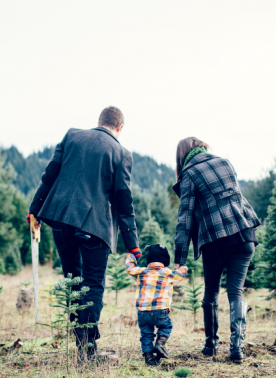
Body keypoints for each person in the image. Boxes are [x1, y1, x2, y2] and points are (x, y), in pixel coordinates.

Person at [28, 106, 140, 358]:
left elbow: (49, 176)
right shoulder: (121, 152)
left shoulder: (72, 135)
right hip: (95, 226)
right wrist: (133, 245)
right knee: (92, 284)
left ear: (99, 122)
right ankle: (87, 350)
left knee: (72, 279)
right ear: (119, 128)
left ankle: (81, 345)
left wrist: (33, 211)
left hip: (60, 218)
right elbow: (124, 201)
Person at [172, 137, 261, 363]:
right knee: (236, 292)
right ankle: (237, 348)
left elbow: (184, 219)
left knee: (211, 291)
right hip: (245, 235)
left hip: (216, 240)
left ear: (182, 156)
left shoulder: (189, 174)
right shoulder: (225, 162)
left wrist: (179, 259)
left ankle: (211, 345)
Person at [125, 244, 188, 365]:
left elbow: (130, 268)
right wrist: (182, 265)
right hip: (161, 310)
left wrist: (131, 255)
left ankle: (148, 357)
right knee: (166, 326)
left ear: (149, 260)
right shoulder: (167, 273)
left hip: (143, 310)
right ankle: (160, 344)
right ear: (165, 261)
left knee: (146, 333)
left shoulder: (141, 271)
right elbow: (181, 275)